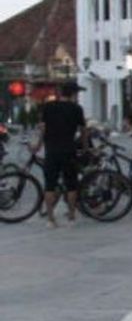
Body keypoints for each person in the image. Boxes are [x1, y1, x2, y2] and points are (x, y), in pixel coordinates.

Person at [32, 81, 88, 228]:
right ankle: (71, 216)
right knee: (71, 184)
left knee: (49, 185)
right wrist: (85, 146)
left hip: (51, 150)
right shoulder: (77, 109)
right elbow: (83, 130)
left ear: (61, 93)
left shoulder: (48, 107)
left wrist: (38, 146)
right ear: (73, 94)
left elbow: (43, 129)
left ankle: (51, 219)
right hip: (69, 149)